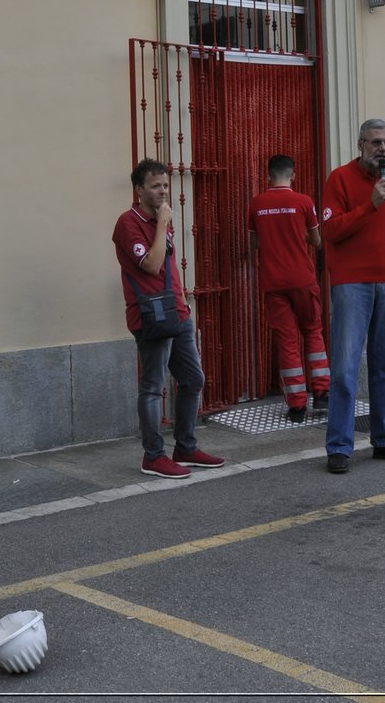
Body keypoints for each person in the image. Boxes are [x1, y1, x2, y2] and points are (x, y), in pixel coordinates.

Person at [113, 158, 226, 479]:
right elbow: (150, 264)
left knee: (193, 379)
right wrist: (162, 224)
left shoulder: (161, 220)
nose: (163, 191)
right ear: (138, 190)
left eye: (165, 185)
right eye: (155, 186)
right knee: (153, 388)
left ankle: (186, 447)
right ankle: (153, 455)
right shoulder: (128, 223)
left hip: (177, 313)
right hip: (150, 316)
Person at [320, 119, 385, 473]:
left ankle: (384, 439)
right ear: (360, 144)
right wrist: (371, 205)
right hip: (352, 283)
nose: (382, 149)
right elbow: (330, 230)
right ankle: (340, 446)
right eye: (375, 142)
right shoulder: (340, 179)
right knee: (346, 368)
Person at [248, 154, 329, 423]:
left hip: (273, 281)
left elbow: (254, 244)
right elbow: (317, 241)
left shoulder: (257, 204)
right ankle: (322, 393)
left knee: (287, 340)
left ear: (268, 175)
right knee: (313, 331)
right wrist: (298, 234)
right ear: (293, 175)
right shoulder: (304, 202)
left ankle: (296, 405)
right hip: (303, 279)